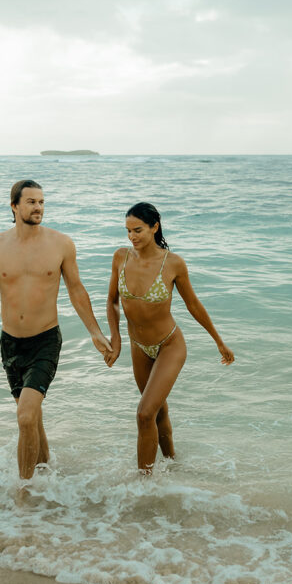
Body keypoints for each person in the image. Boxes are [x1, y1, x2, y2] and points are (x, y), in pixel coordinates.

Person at [0, 179, 113, 483]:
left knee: (24, 417)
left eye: (42, 202)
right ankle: (49, 478)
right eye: (32, 202)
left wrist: (95, 332)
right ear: (14, 206)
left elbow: (76, 290)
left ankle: (24, 496)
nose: (38, 207)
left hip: (46, 341)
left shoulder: (61, 244)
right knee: (32, 419)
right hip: (10, 343)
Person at [105, 202, 234, 473]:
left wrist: (219, 341)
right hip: (138, 347)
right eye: (128, 231)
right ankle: (173, 465)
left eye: (138, 230)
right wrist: (115, 338)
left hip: (169, 345)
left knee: (144, 414)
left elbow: (194, 306)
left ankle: (144, 484)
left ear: (155, 226)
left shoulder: (173, 263)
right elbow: (112, 301)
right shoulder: (120, 257)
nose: (132, 237)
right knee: (157, 411)